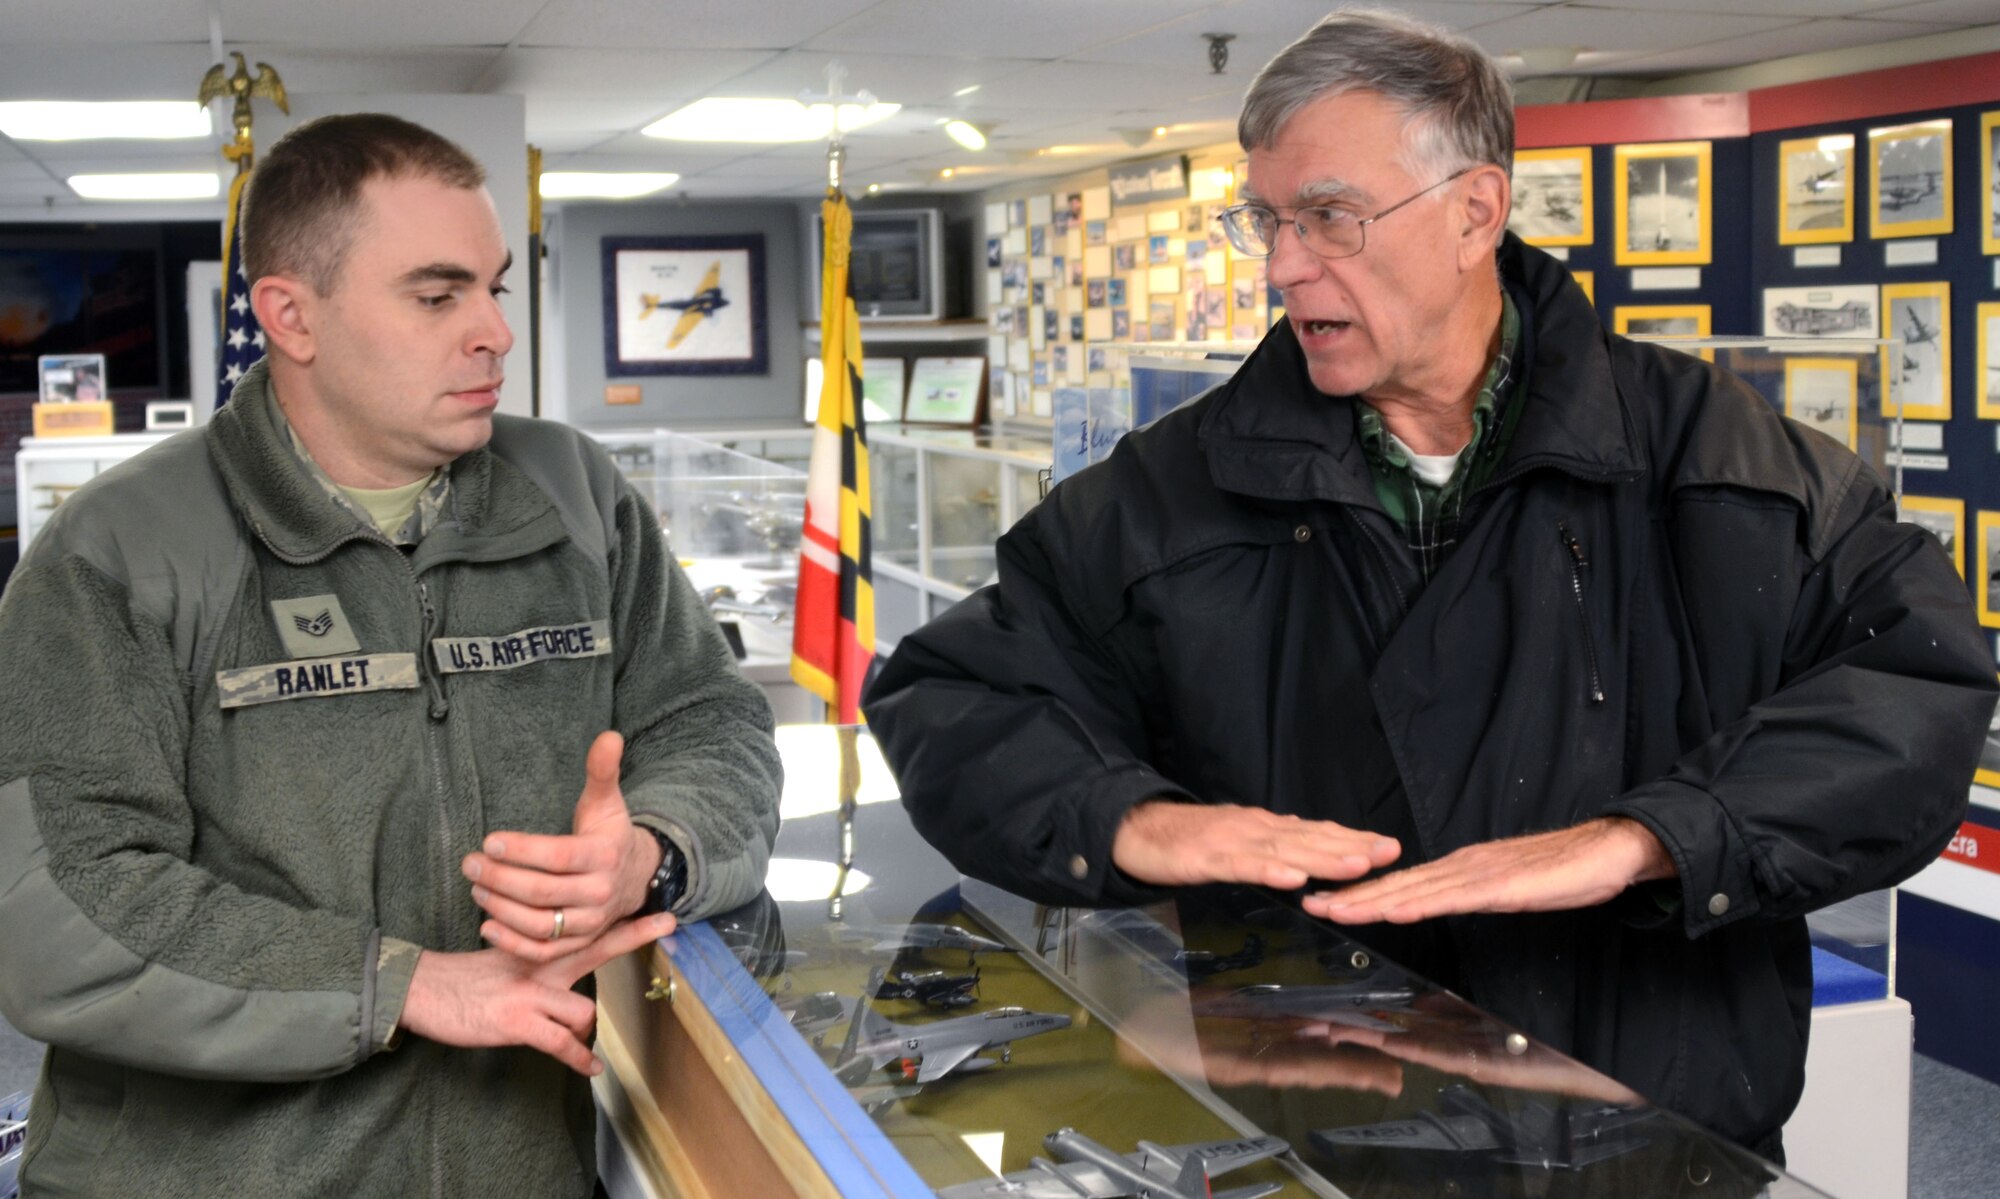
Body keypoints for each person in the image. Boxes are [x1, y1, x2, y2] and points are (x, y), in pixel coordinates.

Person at [864, 10, 1995, 1158]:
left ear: (1475, 212)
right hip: (1311, 1141)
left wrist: (1654, 836)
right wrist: (1130, 820)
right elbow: (953, 696)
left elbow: (1914, 688)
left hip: (1662, 1138)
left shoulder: (1722, 460)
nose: (1280, 264)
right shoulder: (1162, 495)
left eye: (1328, 218)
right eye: (1264, 219)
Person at [0, 114, 781, 1196]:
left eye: (495, 288)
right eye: (436, 294)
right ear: (289, 315)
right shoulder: (117, 551)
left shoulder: (574, 493)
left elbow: (708, 717)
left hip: (527, 1160)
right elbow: (64, 907)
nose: (494, 332)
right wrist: (401, 984)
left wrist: (653, 846)